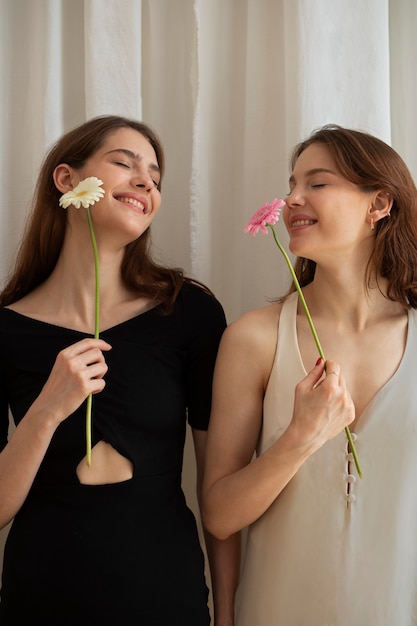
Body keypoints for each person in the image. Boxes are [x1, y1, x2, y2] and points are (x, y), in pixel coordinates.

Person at [0, 115, 233, 625]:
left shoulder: (187, 314)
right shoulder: (6, 331)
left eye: (154, 175)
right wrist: (47, 409)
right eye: (124, 164)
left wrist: (229, 612)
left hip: (164, 594)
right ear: (66, 180)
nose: (145, 181)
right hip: (41, 597)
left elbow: (217, 491)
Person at [202, 124, 417, 625]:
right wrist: (300, 436)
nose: (291, 199)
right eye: (292, 184)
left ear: (379, 204)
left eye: (317, 183)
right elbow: (219, 515)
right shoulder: (254, 338)